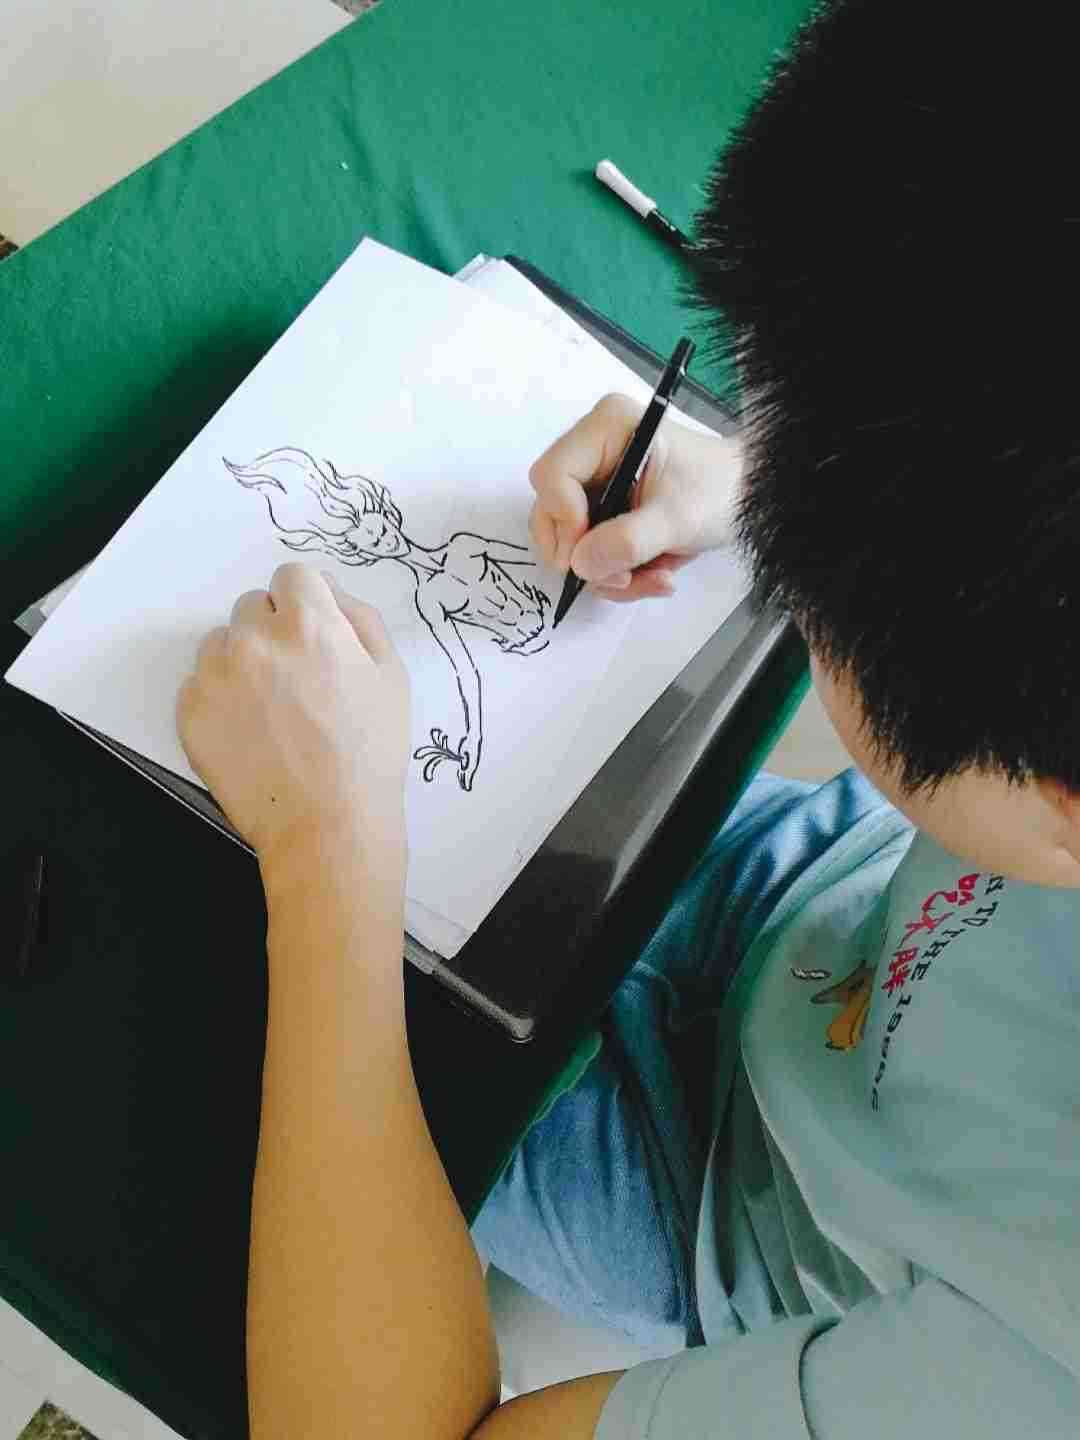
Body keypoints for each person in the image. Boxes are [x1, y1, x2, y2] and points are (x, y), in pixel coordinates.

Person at [176, 0, 1079, 1435]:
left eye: (808, 583)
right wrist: (772, 473)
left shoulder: (1036, 1359)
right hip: (822, 907)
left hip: (706, 1197)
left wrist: (329, 857)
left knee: (197, 994)